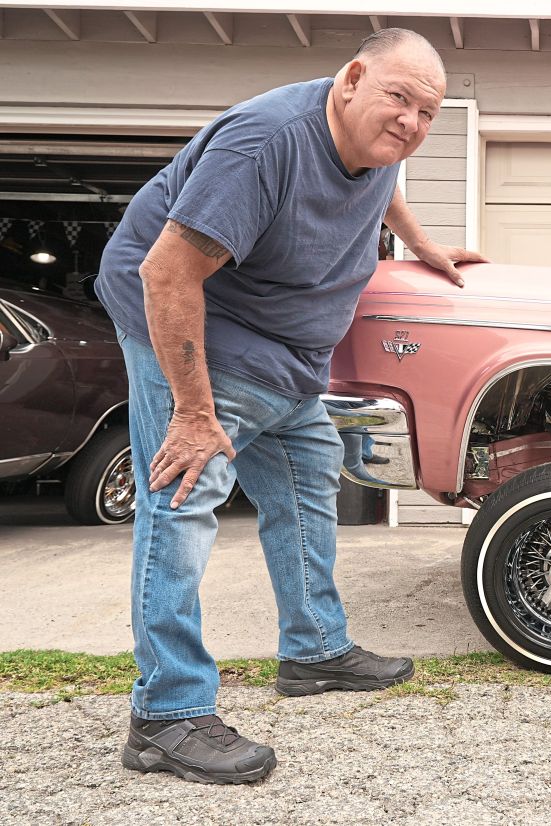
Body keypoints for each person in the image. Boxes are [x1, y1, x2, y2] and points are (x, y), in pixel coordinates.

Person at [94, 28, 484, 784]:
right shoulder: (265, 144)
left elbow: (384, 181)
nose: (410, 123)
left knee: (310, 475)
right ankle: (165, 715)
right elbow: (167, 275)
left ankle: (313, 651)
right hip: (188, 321)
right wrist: (195, 413)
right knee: (182, 499)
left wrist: (424, 245)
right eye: (398, 99)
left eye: (426, 113)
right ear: (351, 78)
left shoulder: (374, 142)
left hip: (282, 348)